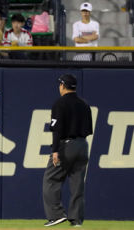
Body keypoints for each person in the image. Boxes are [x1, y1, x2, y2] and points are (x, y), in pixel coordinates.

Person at [42, 74, 93, 227]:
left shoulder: (60, 103)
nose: (59, 87)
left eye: (60, 85)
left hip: (66, 145)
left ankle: (56, 215)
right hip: (83, 145)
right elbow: (89, 129)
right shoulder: (84, 104)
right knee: (77, 184)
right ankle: (77, 220)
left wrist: (55, 151)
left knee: (50, 179)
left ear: (63, 86)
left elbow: (57, 130)